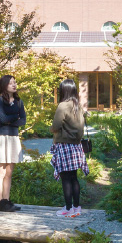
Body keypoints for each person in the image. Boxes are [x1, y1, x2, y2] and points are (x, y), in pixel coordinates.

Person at [50, 78, 89, 218]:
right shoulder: (77, 106)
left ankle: (68, 208)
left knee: (65, 179)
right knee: (74, 178)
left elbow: (55, 126)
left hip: (64, 146)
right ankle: (77, 207)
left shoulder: (63, 106)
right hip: (76, 147)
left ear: (63, 90)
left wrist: (50, 129)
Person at [0, 74, 26, 212]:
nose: (14, 85)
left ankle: (7, 201)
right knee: (1, 172)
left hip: (13, 138)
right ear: (4, 85)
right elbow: (2, 119)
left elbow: (23, 120)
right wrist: (15, 117)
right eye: (11, 83)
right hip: (0, 137)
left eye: (15, 82)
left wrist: (12, 120)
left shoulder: (19, 101)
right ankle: (1, 203)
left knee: (9, 172)